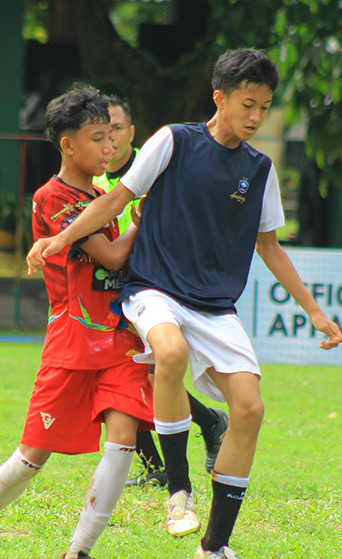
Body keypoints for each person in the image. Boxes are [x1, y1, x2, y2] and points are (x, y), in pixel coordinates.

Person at [28, 49, 342, 559]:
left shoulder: (259, 170)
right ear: (219, 98)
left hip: (215, 307)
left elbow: (270, 247)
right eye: (247, 104)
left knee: (249, 410)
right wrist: (59, 238)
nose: (255, 117)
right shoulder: (173, 140)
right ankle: (178, 493)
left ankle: (214, 548)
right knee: (168, 352)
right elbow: (113, 202)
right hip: (155, 290)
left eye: (264, 108)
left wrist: (314, 311)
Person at [0, 83, 152, 559]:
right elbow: (112, 256)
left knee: (123, 437)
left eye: (112, 136)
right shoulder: (53, 198)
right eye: (97, 138)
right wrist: (146, 212)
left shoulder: (102, 195)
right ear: (67, 144)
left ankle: (79, 553)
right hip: (73, 340)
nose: (109, 147)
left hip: (118, 340)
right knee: (32, 455)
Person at [92, 96, 229, 490]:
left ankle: (183, 444)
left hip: (156, 287)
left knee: (140, 378)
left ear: (132, 133)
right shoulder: (96, 182)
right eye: (99, 133)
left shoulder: (156, 165)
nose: (109, 140)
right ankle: (183, 443)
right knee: (124, 378)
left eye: (116, 129)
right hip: (113, 288)